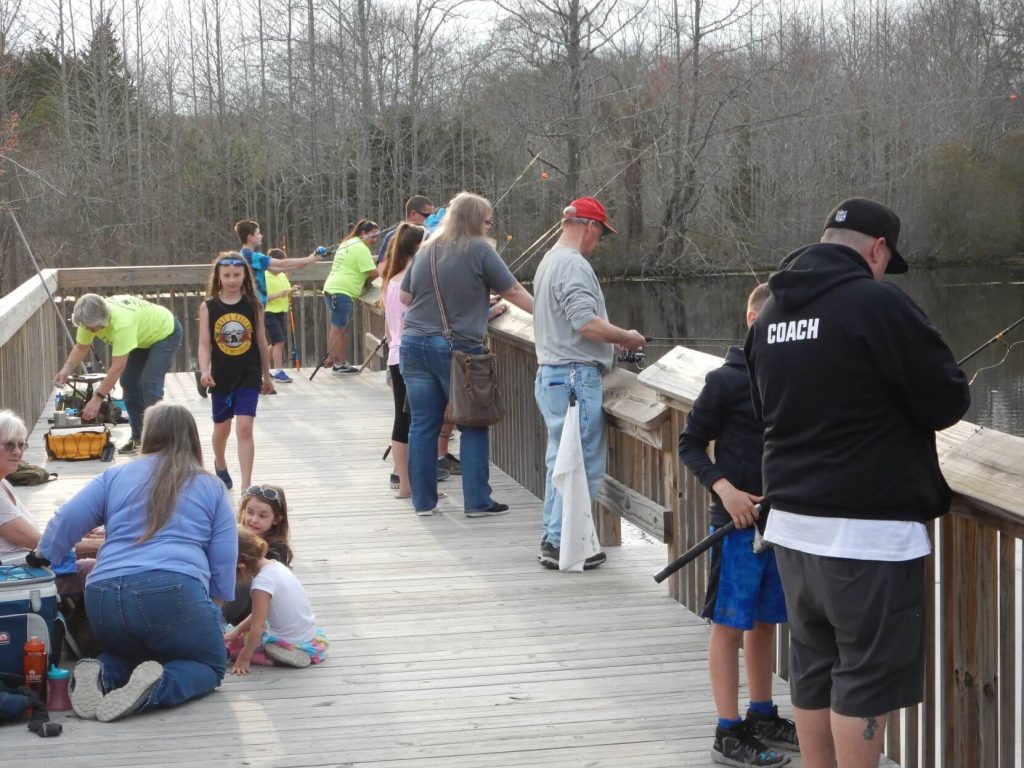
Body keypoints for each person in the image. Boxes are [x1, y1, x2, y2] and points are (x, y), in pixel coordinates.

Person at [743, 198, 970, 768]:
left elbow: (763, 407)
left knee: (815, 672)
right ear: (877, 249)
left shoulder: (769, 316)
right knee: (865, 680)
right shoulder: (878, 304)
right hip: (868, 539)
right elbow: (947, 401)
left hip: (792, 531)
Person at [36, 402, 237, 723]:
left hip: (103, 596)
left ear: (149, 434)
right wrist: (213, 608)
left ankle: (100, 673)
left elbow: (67, 519)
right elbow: (225, 557)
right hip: (172, 589)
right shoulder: (210, 486)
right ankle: (155, 688)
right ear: (192, 438)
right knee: (207, 665)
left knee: (127, 656)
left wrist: (42, 555)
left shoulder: (115, 475)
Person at [678, 284, 796, 767]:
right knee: (729, 625)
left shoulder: (794, 381)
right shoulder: (724, 380)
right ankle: (727, 731)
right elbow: (689, 443)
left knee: (766, 621)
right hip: (734, 528)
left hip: (781, 525)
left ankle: (762, 714)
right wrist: (724, 489)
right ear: (752, 319)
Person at [399, 191, 534, 516]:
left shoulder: (426, 250)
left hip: (413, 344)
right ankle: (476, 501)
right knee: (472, 423)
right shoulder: (479, 249)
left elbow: (405, 297)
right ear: (477, 221)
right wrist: (548, 315)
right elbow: (513, 291)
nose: (489, 227)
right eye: (487, 221)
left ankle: (423, 502)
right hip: (456, 349)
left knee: (422, 424)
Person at [532, 197, 645, 569]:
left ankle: (555, 537)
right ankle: (563, 542)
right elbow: (584, 321)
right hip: (576, 379)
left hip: (553, 376)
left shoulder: (549, 261)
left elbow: (576, 322)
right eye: (601, 233)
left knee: (560, 461)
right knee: (579, 464)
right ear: (590, 227)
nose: (599, 242)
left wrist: (608, 337)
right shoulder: (573, 265)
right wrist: (625, 336)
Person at [55, 294, 183, 455]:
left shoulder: (122, 323)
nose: (89, 330)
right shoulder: (86, 319)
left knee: (150, 384)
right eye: (86, 327)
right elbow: (81, 347)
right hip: (141, 337)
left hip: (165, 332)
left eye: (92, 327)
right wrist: (66, 369)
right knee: (129, 382)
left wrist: (98, 398)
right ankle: (138, 437)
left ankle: (162, 440)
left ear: (103, 318)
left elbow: (116, 367)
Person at [198, 252, 276, 492]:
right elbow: (204, 344)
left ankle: (245, 485)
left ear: (245, 275)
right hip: (221, 375)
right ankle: (220, 463)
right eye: (227, 275)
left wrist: (267, 375)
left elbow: (262, 342)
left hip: (248, 373)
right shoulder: (209, 306)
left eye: (237, 274)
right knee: (222, 428)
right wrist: (204, 371)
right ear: (218, 277)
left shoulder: (253, 305)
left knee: (244, 426)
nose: (232, 279)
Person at [0, 409, 99, 596]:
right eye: (9, 445)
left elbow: (40, 540)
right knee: (96, 568)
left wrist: (80, 533)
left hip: (26, 566)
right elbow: (46, 545)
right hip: (16, 579)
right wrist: (105, 544)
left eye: (21, 445)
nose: (18, 452)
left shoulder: (4, 483)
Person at [225, 527, 329, 672]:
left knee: (235, 650)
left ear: (241, 566)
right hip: (306, 634)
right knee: (238, 635)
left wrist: (244, 657)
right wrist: (237, 631)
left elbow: (258, 627)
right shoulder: (275, 566)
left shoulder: (261, 584)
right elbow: (259, 615)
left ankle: (275, 655)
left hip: (289, 640)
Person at [381, 223, 426, 499]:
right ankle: (414, 485)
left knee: (403, 418)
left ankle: (406, 484)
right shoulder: (413, 279)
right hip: (413, 355)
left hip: (396, 354)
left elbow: (389, 328)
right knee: (417, 420)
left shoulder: (391, 279)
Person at [222, 483, 294, 625]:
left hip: (256, 610)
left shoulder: (277, 550)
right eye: (249, 512)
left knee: (245, 581)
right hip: (231, 599)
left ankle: (219, 622)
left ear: (277, 519)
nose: (254, 519)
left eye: (262, 516)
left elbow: (266, 587)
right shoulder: (237, 535)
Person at [323, 219, 381, 374]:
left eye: (377, 236)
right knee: (339, 329)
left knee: (338, 328)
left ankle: (339, 362)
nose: (375, 240)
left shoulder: (347, 243)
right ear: (363, 233)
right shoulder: (361, 248)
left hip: (333, 288)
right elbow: (373, 273)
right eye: (373, 235)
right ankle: (339, 364)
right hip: (342, 291)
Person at [234, 219, 319, 306]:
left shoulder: (245, 255)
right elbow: (282, 263)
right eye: (258, 233)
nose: (261, 236)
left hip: (256, 303)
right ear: (250, 238)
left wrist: (301, 265)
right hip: (252, 304)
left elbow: (276, 269)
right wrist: (308, 259)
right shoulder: (250, 256)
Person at [264, 248, 298, 384]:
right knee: (279, 342)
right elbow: (263, 297)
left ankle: (263, 369)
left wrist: (291, 291)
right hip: (269, 312)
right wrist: (280, 294)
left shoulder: (282, 276)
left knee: (274, 342)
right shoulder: (264, 276)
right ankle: (278, 371)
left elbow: (285, 292)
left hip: (280, 312)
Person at [376, 195, 436, 265]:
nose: (431, 219)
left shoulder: (431, 235)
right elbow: (382, 267)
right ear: (413, 214)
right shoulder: (393, 236)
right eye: (428, 215)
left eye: (434, 216)